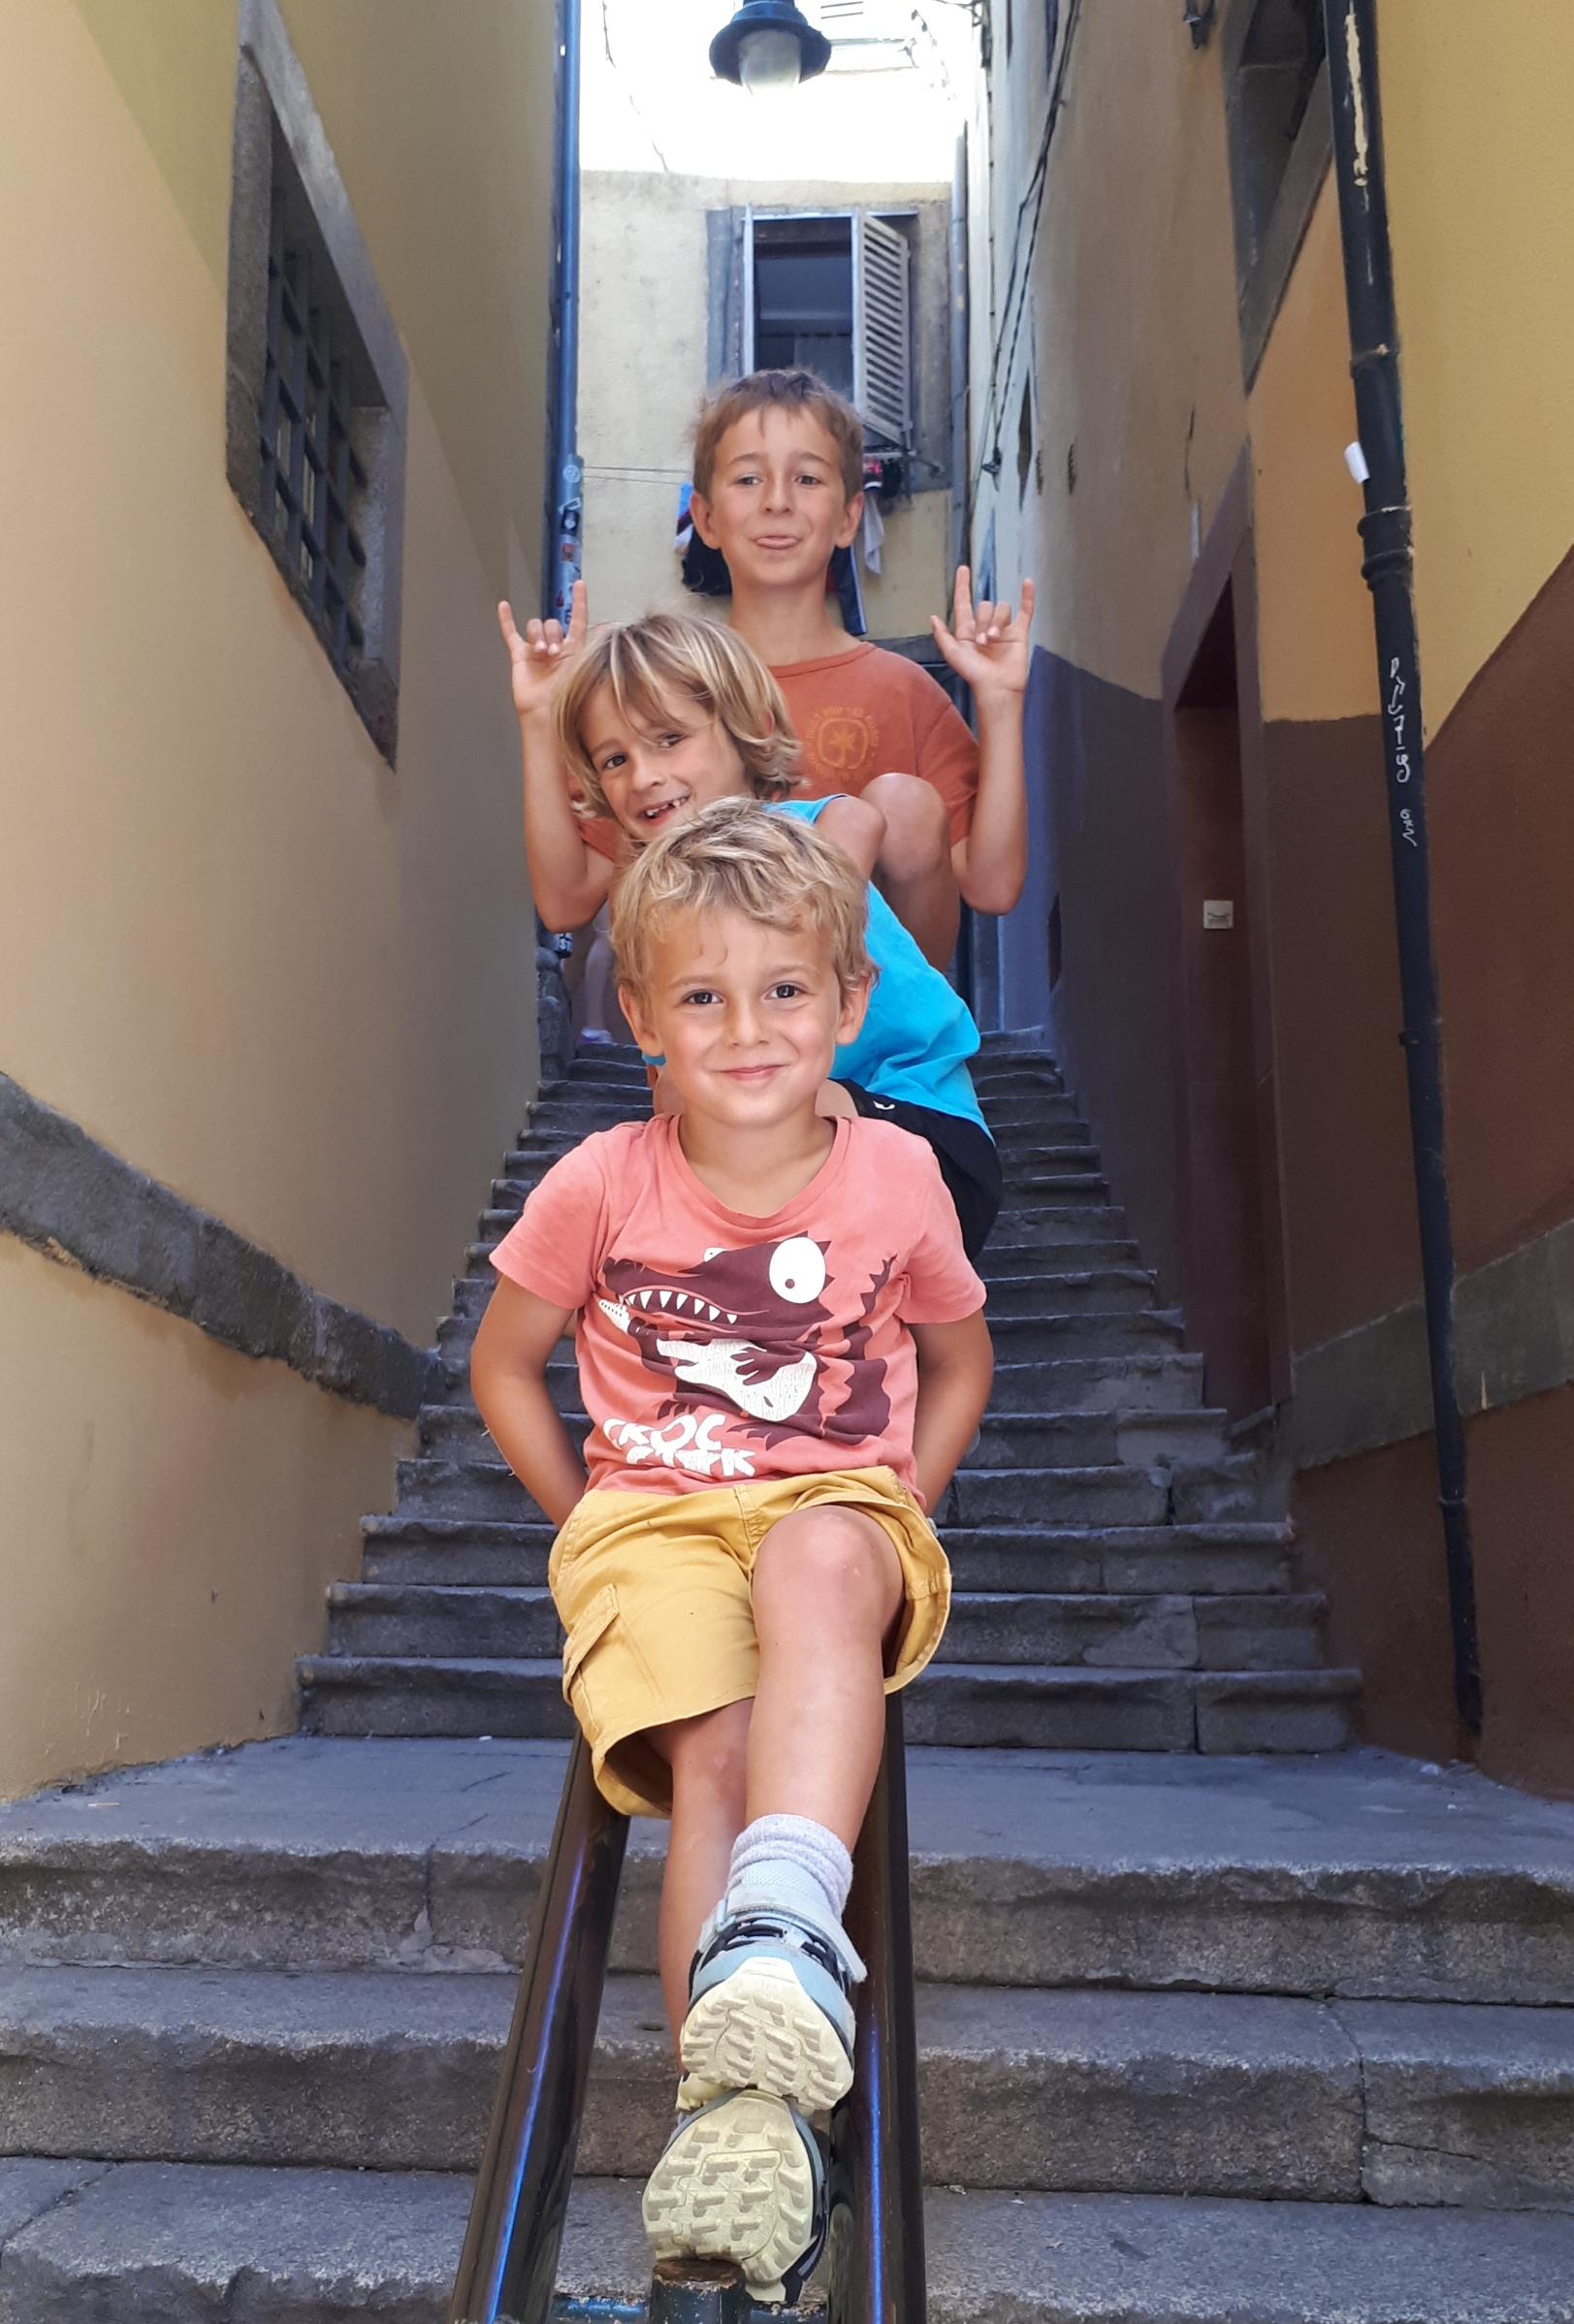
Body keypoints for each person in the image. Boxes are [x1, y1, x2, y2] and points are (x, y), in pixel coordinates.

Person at [470, 800, 992, 2302]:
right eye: (701, 996)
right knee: (715, 1747)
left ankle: (776, 1929)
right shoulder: (599, 1182)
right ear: (640, 1018)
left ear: (847, 1002)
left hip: (835, 1506)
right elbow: (503, 1363)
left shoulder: (894, 1178)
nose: (747, 1029)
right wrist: (588, 1518)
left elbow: (957, 1358)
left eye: (781, 990)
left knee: (821, 1560)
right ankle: (736, 2108)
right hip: (655, 1523)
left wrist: (908, 1493)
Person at [504, 608, 1002, 1260]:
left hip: (925, 1140)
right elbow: (678, 1093)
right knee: (685, 1112)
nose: (642, 776)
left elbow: (858, 825)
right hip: (787, 1186)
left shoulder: (807, 830)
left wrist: (777, 910)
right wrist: (537, 717)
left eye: (668, 739)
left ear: (750, 729)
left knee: (761, 1107)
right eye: (615, 759)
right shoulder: (660, 916)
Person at [499, 368, 1034, 970]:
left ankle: (845, 1009)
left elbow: (993, 887)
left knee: (904, 803)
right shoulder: (657, 687)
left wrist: (1000, 702)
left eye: (806, 479)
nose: (777, 502)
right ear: (704, 519)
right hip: (703, 1003)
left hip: (870, 1014)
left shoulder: (904, 691)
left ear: (849, 517)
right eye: (748, 479)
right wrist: (539, 718)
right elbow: (565, 902)